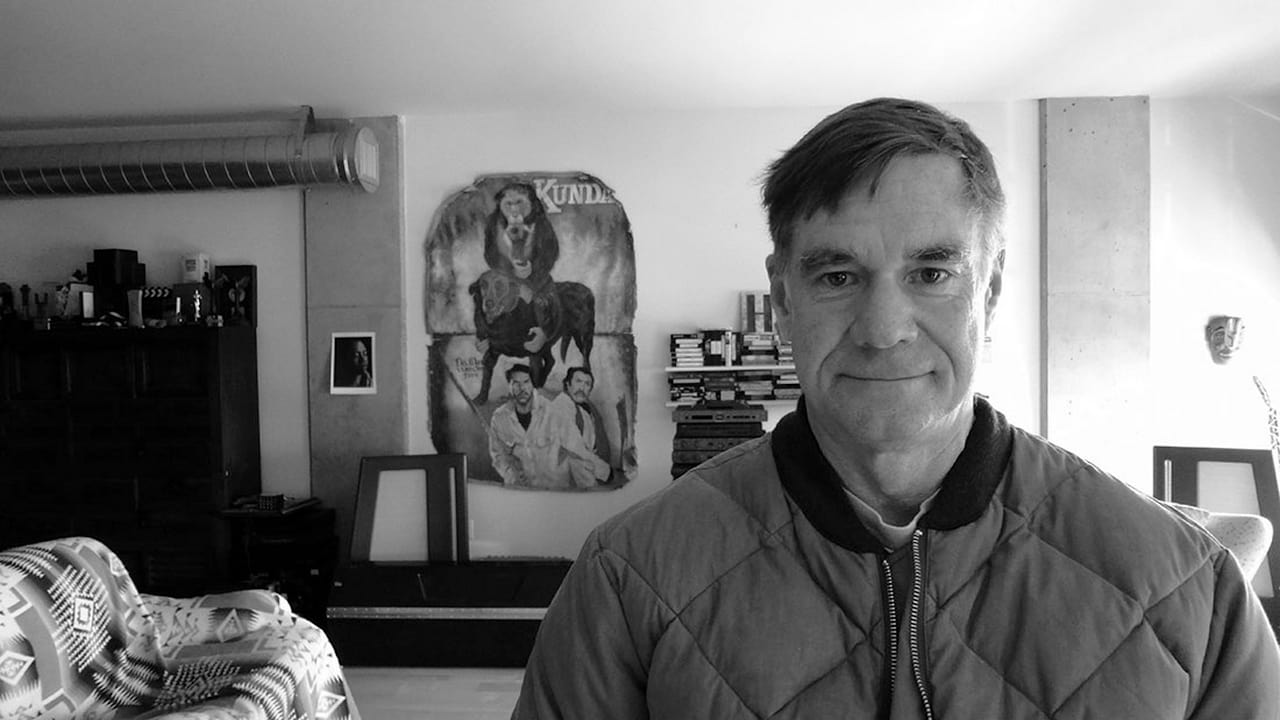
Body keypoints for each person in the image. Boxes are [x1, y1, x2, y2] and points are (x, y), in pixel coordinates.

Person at [513, 98, 1280, 718]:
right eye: (837, 276)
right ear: (782, 298)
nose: (883, 331)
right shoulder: (626, 578)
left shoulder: (1192, 591)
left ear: (991, 290)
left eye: (932, 273)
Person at [488, 363, 573, 489]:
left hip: (555, 491)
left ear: (533, 384)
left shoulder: (553, 412)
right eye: (516, 383)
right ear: (509, 386)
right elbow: (498, 456)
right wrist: (511, 475)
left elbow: (572, 447)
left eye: (526, 382)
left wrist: (554, 470)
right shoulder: (499, 418)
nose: (522, 388)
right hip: (520, 491)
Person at [549, 366, 612, 487]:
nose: (582, 388)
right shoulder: (561, 405)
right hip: (564, 471)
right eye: (578, 381)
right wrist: (608, 472)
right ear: (568, 384)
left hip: (587, 467)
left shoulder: (586, 412)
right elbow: (575, 448)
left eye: (587, 384)